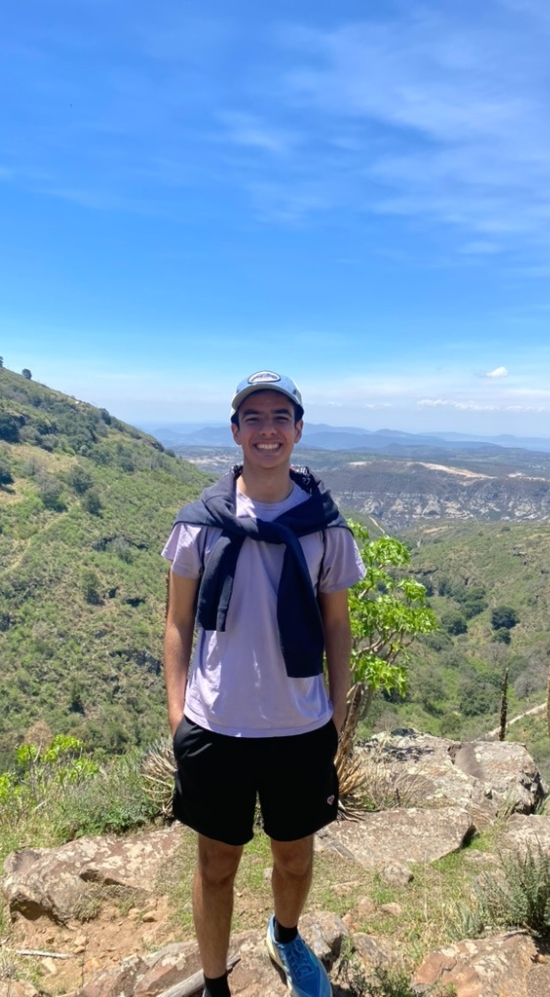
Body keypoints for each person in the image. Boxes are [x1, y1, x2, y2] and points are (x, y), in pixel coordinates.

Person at [162, 371, 365, 997]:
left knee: (293, 857)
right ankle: (218, 983)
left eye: (280, 416)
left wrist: (335, 715)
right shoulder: (202, 523)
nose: (267, 428)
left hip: (299, 727)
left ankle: (284, 934)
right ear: (235, 432)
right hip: (216, 725)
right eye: (253, 417)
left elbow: (336, 625)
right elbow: (175, 624)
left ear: (298, 430)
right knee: (215, 864)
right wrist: (178, 717)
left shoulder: (325, 527)